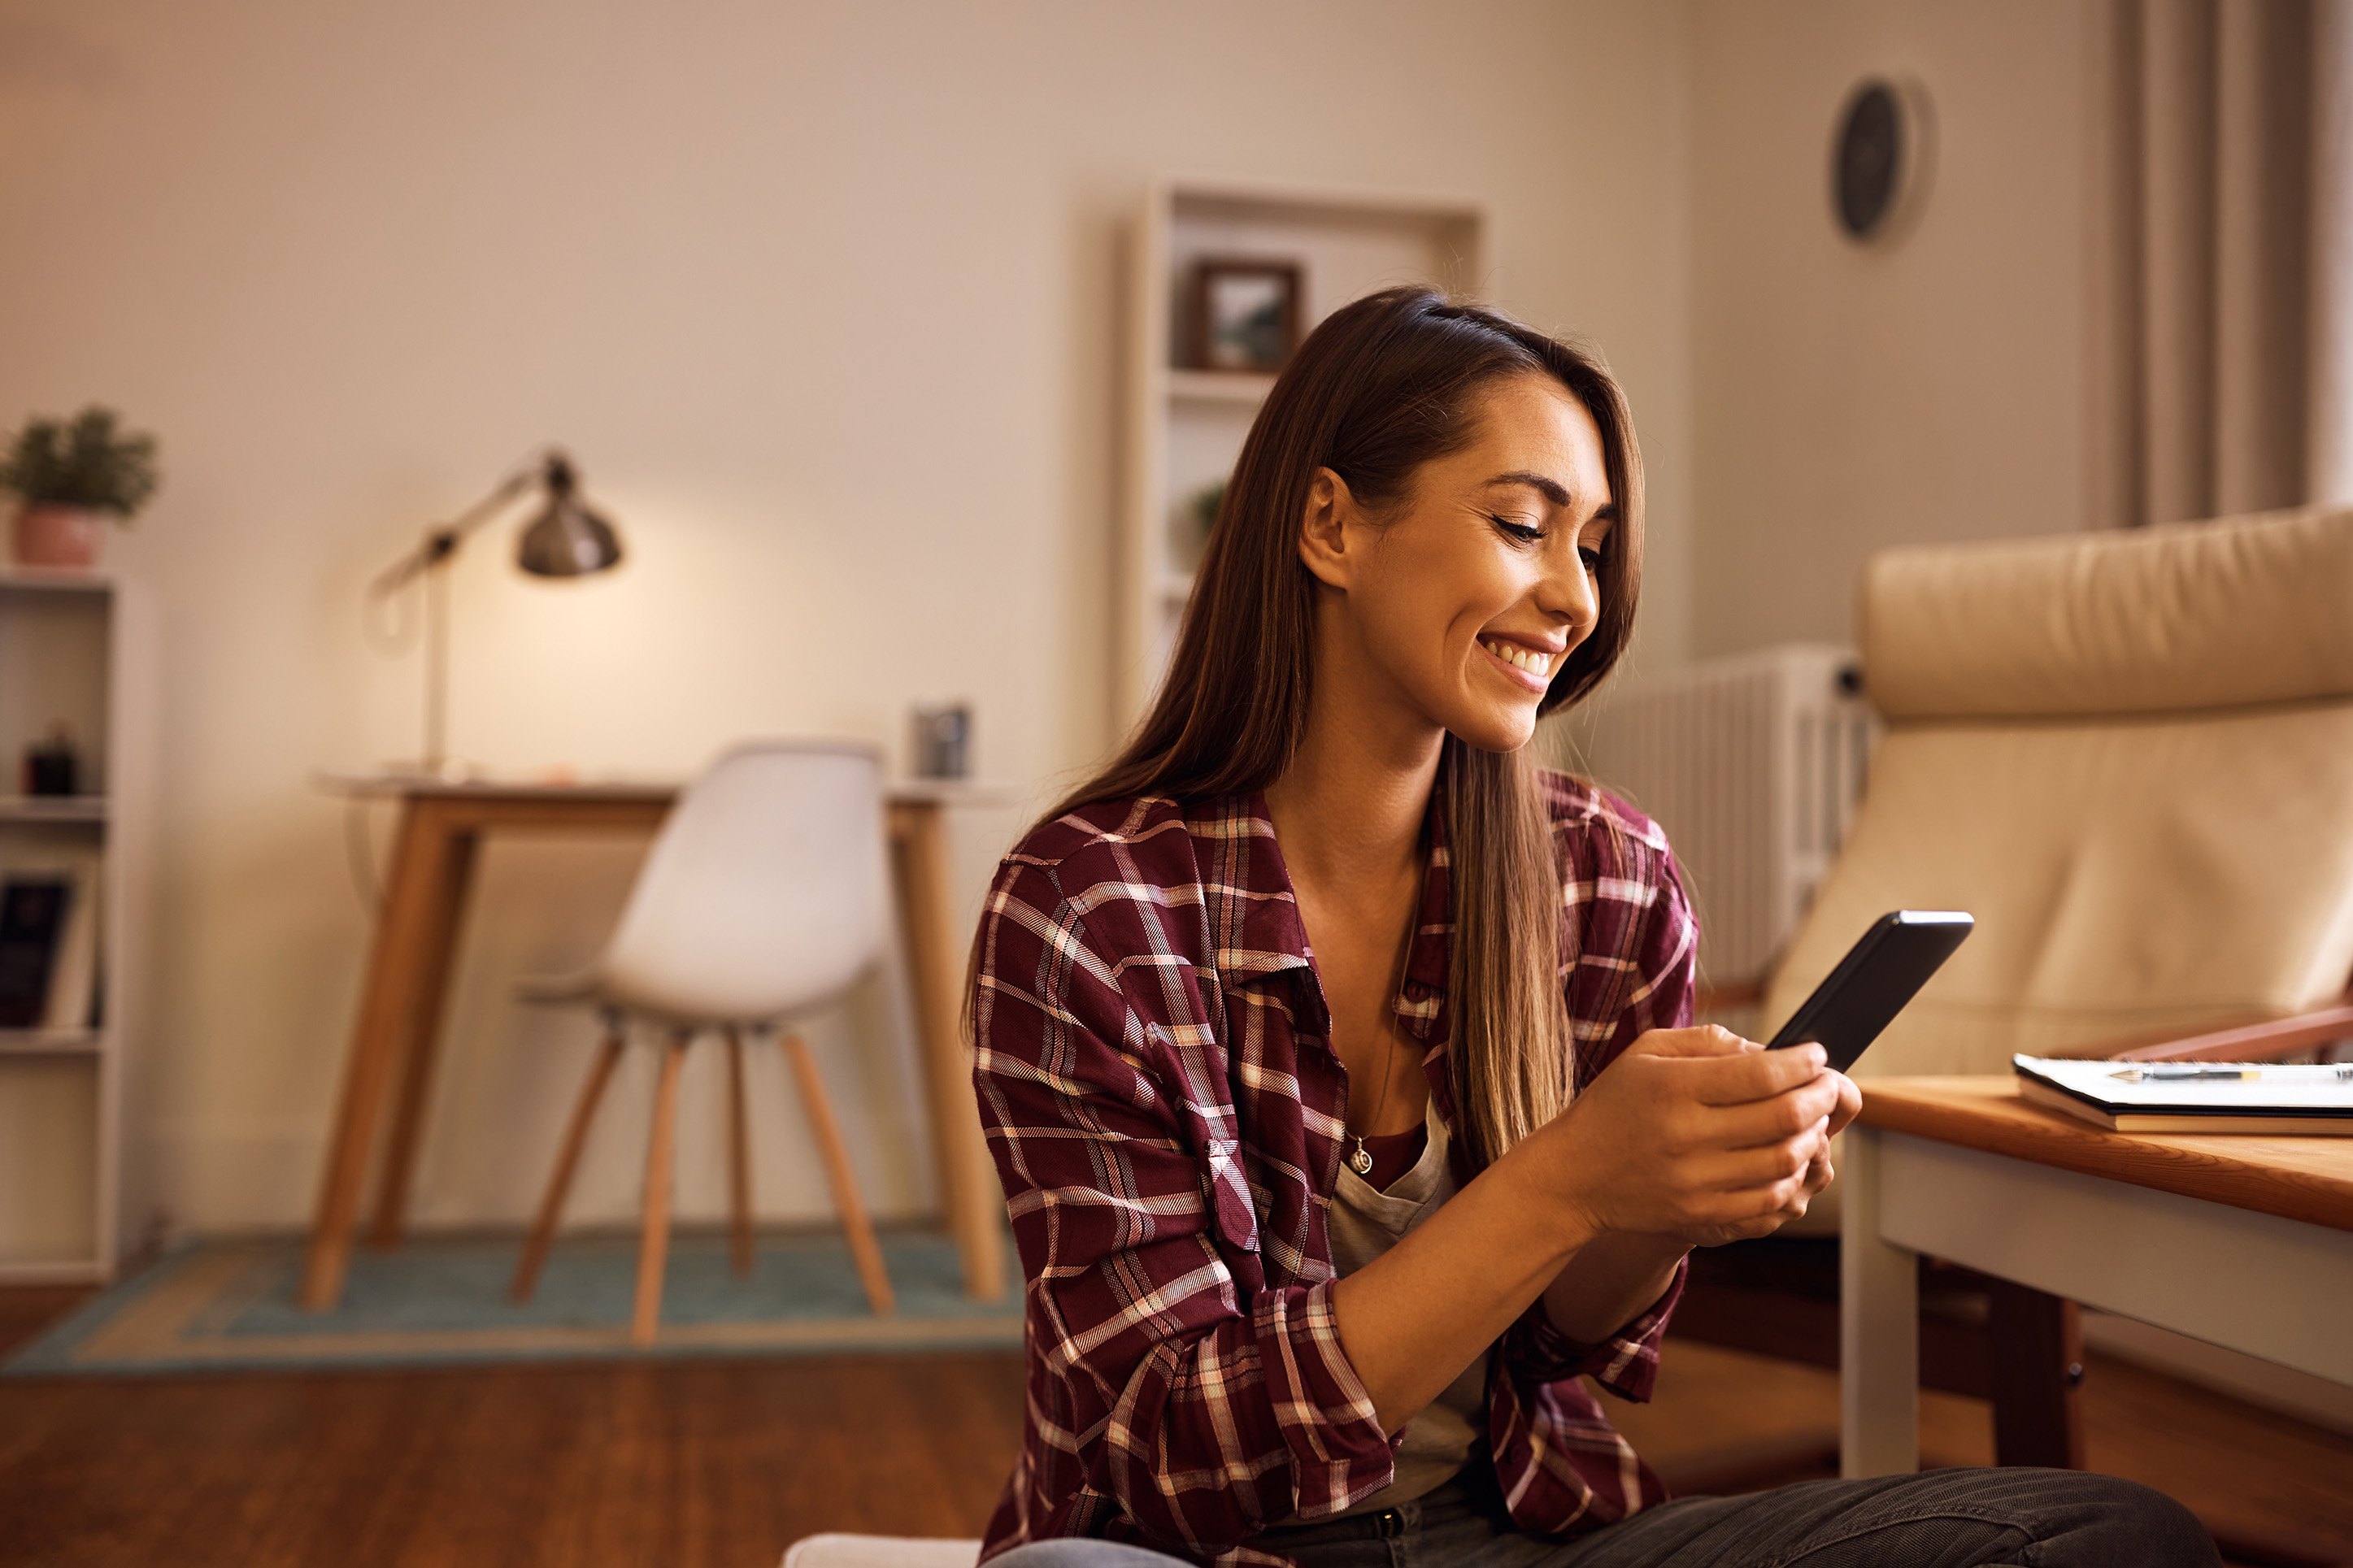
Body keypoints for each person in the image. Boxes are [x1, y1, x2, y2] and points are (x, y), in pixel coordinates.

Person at [965, 287, 2216, 1568]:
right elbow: (1171, 1457)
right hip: (1198, 1555)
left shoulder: (1604, 873)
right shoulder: (1088, 906)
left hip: (1513, 1540)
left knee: (2102, 1533)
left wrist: (1668, 1193)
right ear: (1331, 523)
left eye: (1597, 548)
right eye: (1522, 525)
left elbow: (1568, 1341)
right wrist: (1562, 1176)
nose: (1574, 598)